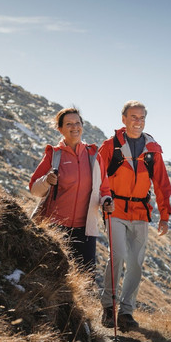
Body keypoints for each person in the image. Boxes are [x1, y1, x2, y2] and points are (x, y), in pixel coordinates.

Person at [98, 100, 171, 331]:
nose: (137, 122)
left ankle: (126, 313)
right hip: (115, 209)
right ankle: (109, 308)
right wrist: (103, 201)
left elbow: (161, 183)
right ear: (124, 119)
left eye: (141, 118)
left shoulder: (153, 150)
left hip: (141, 212)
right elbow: (98, 177)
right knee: (118, 256)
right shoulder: (110, 146)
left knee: (136, 264)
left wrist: (165, 215)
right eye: (133, 117)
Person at [28, 107, 107, 276]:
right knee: (54, 276)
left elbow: (103, 188)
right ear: (60, 129)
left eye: (77, 123)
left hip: (85, 229)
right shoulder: (54, 155)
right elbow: (34, 188)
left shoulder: (93, 155)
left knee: (85, 278)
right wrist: (46, 181)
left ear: (82, 126)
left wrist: (107, 200)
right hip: (56, 227)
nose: (74, 127)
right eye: (69, 124)